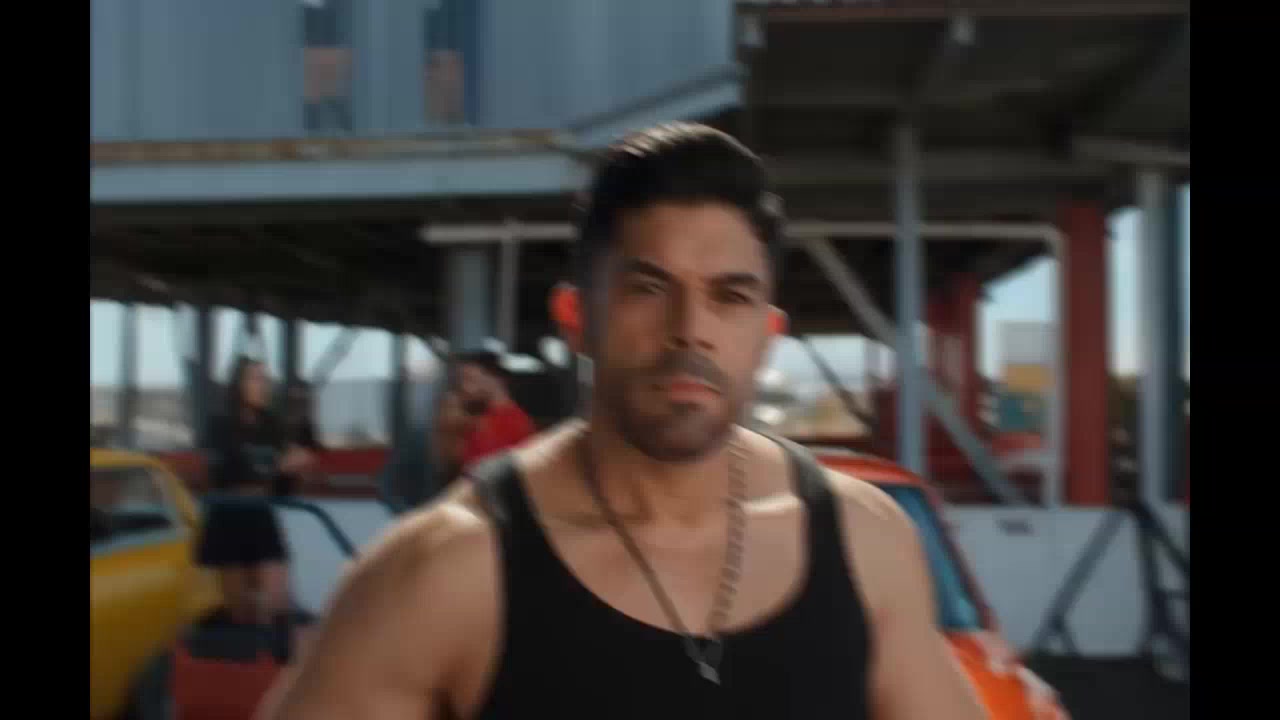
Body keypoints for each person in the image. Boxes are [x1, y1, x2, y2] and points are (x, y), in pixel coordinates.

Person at [261, 123, 986, 719]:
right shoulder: (443, 572)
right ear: (577, 316)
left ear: (767, 336)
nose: (690, 329)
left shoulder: (865, 542)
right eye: (648, 288)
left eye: (730, 297)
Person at [198, 356, 311, 626]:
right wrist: (276, 466)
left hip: (260, 514)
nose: (263, 385)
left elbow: (282, 488)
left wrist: (293, 471)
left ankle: (274, 646)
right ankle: (246, 648)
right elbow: (221, 471)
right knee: (240, 610)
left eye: (265, 379)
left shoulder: (272, 425)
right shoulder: (220, 424)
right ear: (239, 384)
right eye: (256, 379)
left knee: (277, 600)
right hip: (228, 516)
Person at [450, 350, 536, 468]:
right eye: (462, 380)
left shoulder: (513, 423)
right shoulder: (478, 418)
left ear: (495, 378)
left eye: (470, 379)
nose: (464, 387)